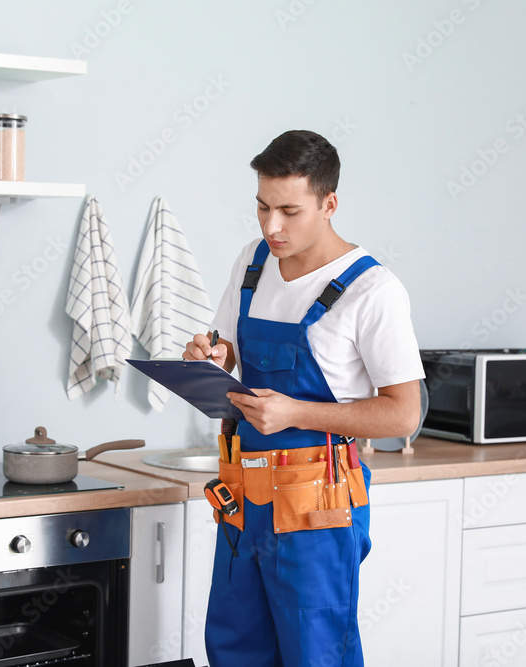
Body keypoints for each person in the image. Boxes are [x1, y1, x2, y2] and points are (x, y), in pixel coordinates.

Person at [184, 130, 424, 666]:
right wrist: (211, 357)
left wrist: (294, 412)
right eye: (263, 208)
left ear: (329, 203)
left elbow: (405, 412)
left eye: (290, 211)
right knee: (233, 650)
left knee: (315, 656)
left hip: (319, 505)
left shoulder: (372, 290)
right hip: (243, 497)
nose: (272, 226)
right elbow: (227, 353)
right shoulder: (253, 261)